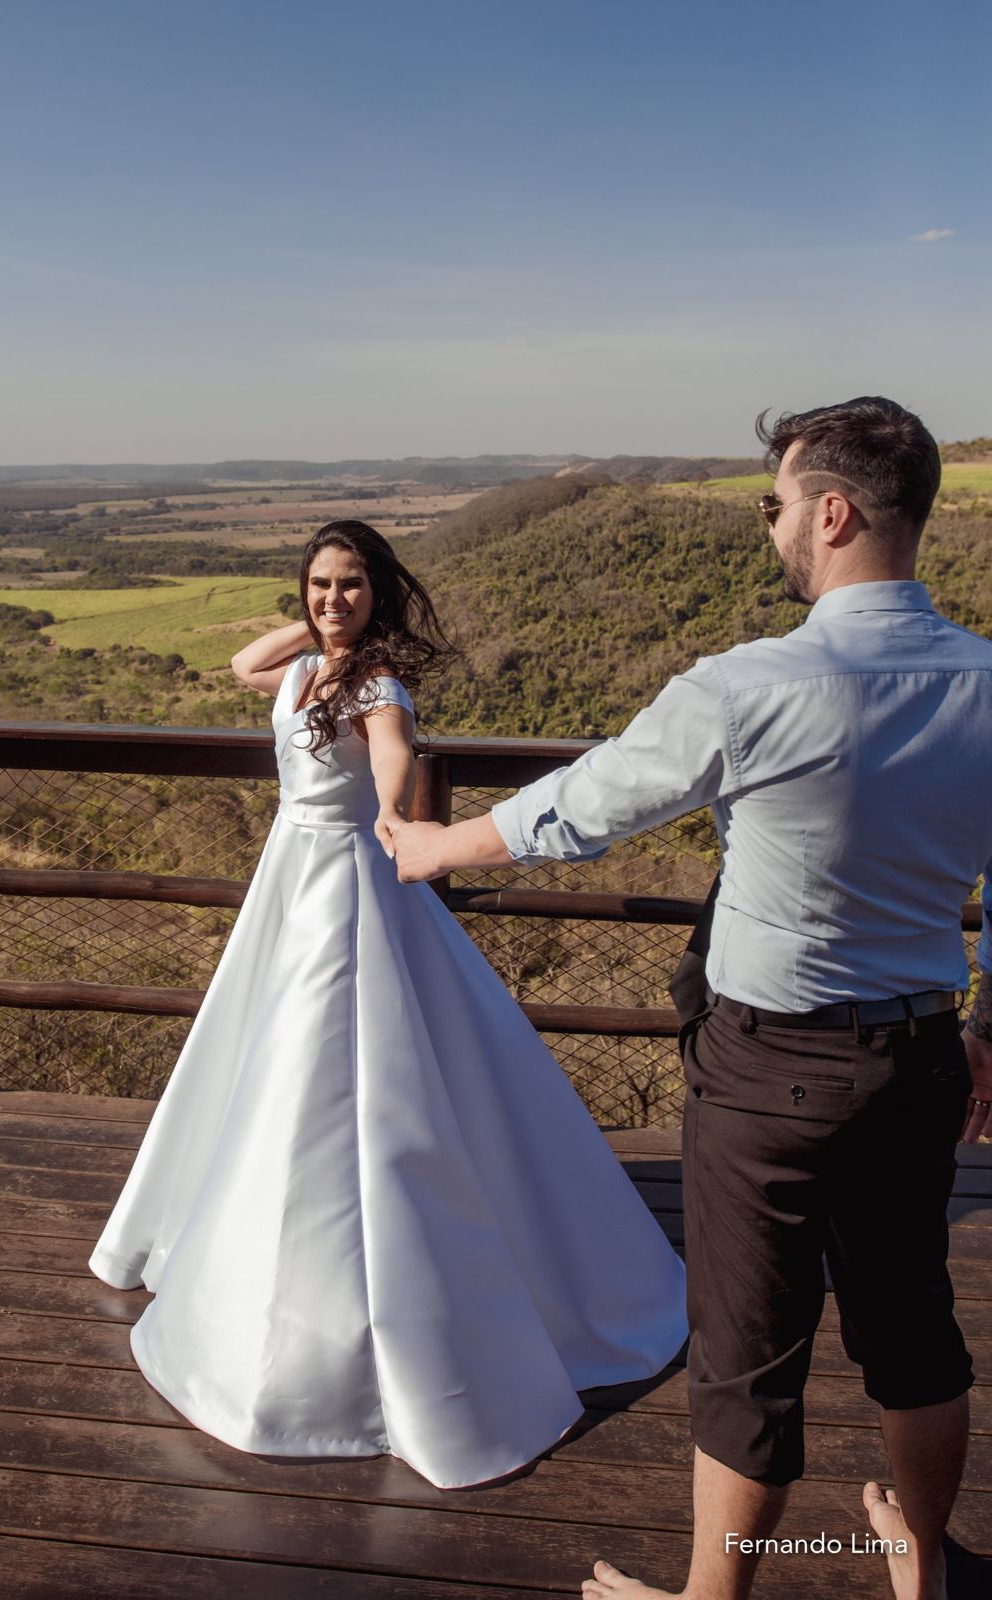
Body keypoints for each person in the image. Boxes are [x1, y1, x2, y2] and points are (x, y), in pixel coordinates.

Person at [393, 398, 992, 1595]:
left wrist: (434, 845)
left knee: (746, 1361)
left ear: (832, 514)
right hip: (924, 1055)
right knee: (912, 1329)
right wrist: (989, 1028)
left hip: (769, 1073)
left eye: (776, 504)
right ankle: (923, 1570)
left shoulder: (749, 686)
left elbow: (587, 804)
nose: (771, 526)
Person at [89, 518, 686, 1491]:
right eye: (320, 583)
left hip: (345, 877)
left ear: (380, 594)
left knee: (340, 1059)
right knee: (265, 1045)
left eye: (352, 585)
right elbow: (245, 665)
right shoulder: (305, 666)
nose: (334, 598)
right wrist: (316, 628)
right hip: (287, 875)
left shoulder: (378, 685)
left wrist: (391, 811)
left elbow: (393, 752)